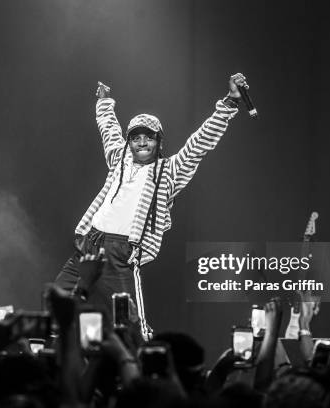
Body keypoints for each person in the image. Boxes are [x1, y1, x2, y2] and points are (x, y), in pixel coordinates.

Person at [55, 73, 248, 340]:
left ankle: (142, 361)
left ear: (159, 142)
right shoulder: (118, 160)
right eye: (136, 137)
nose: (142, 142)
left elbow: (199, 144)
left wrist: (229, 102)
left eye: (149, 137)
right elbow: (109, 130)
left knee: (128, 319)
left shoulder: (168, 171)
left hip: (120, 249)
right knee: (59, 302)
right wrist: (104, 101)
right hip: (89, 243)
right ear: (129, 142)